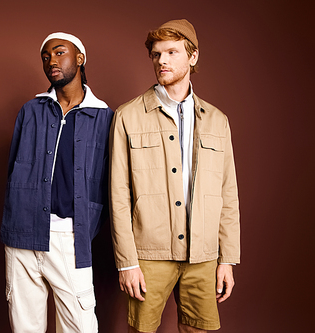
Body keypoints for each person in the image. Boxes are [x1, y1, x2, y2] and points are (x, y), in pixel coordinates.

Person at [109, 19, 240, 333]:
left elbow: (228, 193)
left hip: (204, 256)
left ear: (193, 57)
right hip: (149, 255)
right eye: (156, 54)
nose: (162, 61)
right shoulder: (127, 116)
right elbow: (118, 194)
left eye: (171, 52)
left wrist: (228, 259)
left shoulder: (217, 121)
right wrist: (126, 261)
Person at [0, 32, 113, 333]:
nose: (51, 60)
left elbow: (109, 183)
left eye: (59, 53)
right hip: (21, 234)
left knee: (80, 326)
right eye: (46, 56)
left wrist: (86, 226)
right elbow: (13, 169)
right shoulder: (31, 111)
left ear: (80, 58)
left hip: (69, 235)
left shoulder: (104, 117)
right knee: (25, 327)